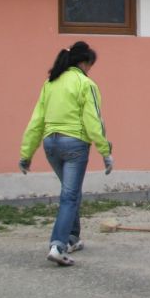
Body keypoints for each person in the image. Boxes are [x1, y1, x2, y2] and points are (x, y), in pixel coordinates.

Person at [20, 41, 113, 267]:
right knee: (70, 196)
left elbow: (37, 120)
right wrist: (105, 150)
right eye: (90, 65)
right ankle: (58, 246)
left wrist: (26, 153)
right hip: (74, 145)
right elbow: (93, 120)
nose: (90, 69)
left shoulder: (50, 83)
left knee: (70, 192)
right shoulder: (86, 83)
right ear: (83, 63)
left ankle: (72, 238)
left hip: (50, 144)